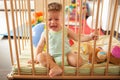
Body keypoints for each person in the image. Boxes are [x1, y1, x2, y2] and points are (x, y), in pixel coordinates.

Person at [28, 2, 98, 77]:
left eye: (56, 19)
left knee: (78, 61)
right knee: (40, 57)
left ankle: (73, 54)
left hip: (67, 54)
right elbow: (40, 46)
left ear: (62, 19)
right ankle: (54, 67)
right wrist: (35, 58)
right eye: (49, 19)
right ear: (45, 20)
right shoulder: (45, 33)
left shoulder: (65, 30)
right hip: (52, 57)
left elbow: (78, 37)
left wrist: (90, 36)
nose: (53, 22)